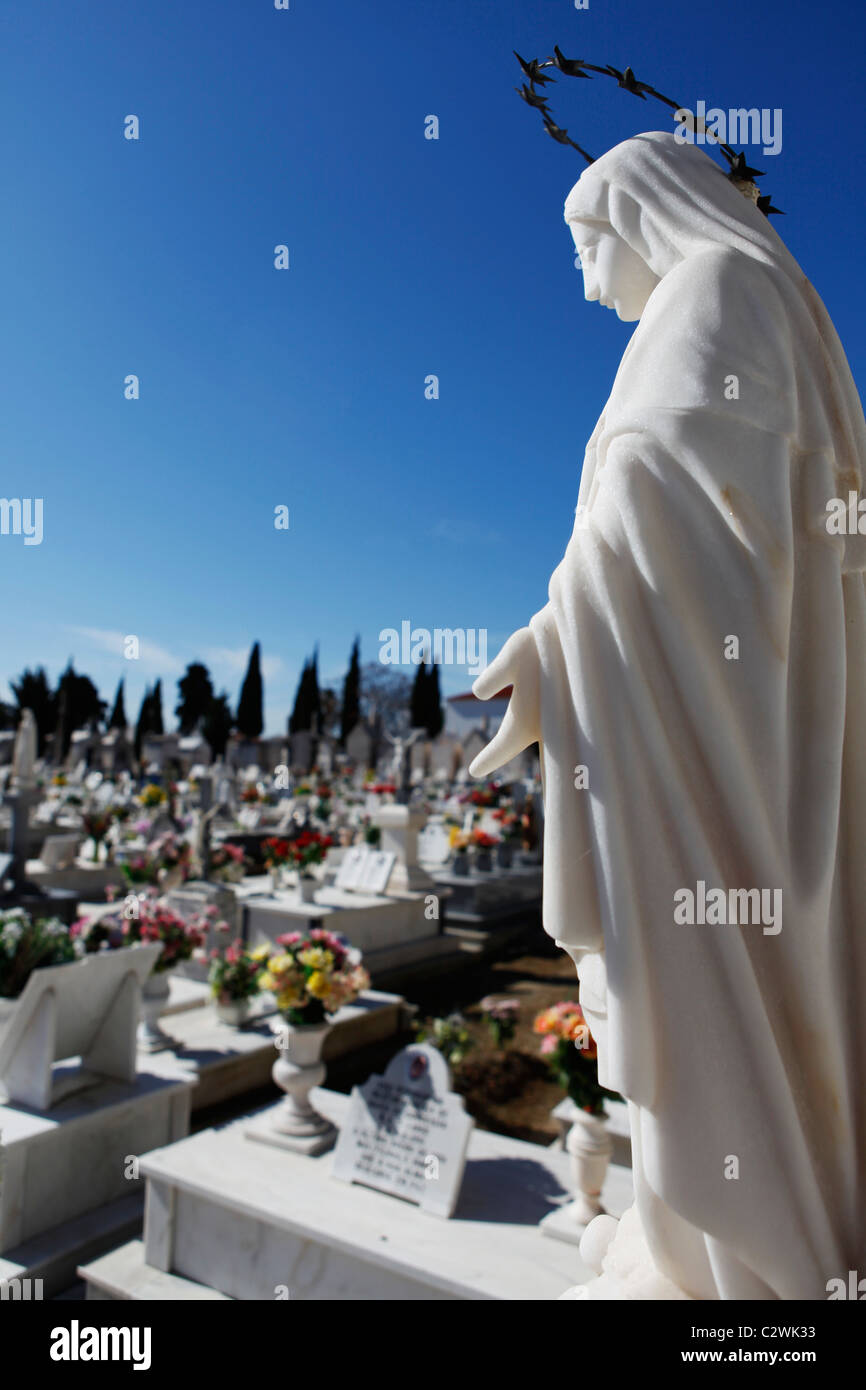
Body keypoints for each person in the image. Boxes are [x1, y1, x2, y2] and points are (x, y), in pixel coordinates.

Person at [471, 132, 866, 1299]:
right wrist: (561, 636)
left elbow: (665, 496)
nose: (587, 278)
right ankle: (699, 1242)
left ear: (643, 214)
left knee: (718, 972)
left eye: (589, 244)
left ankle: (746, 1264)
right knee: (748, 978)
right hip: (734, 707)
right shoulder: (769, 298)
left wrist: (559, 624)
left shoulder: (717, 289)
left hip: (716, 732)